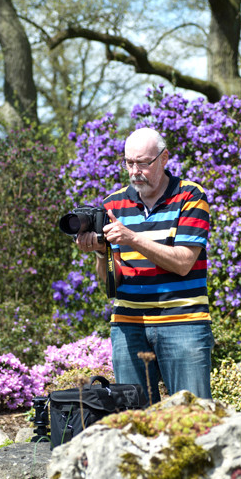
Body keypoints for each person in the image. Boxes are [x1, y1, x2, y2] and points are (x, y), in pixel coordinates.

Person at [76, 127, 214, 403]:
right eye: (129, 163)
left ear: (164, 159)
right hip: (129, 324)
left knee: (192, 418)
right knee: (133, 421)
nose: (135, 171)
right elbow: (110, 285)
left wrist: (132, 238)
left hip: (182, 323)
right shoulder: (112, 204)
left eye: (143, 163)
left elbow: (184, 263)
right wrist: (101, 253)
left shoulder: (191, 196)